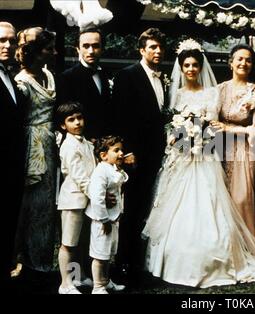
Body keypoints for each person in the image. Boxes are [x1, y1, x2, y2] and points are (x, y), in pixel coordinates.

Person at [141, 40, 255, 288]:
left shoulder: (213, 93)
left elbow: (215, 125)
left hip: (206, 154)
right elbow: (170, 126)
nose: (191, 69)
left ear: (201, 66)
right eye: (187, 65)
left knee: (219, 204)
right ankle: (174, 260)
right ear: (181, 68)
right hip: (184, 156)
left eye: (195, 64)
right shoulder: (176, 93)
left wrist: (200, 136)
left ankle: (227, 257)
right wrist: (181, 138)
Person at [111, 28, 167, 283]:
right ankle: (123, 264)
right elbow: (120, 117)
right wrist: (127, 152)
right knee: (131, 210)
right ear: (142, 50)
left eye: (159, 47)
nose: (157, 51)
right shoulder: (127, 75)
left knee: (147, 209)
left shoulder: (163, 78)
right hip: (135, 156)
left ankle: (140, 263)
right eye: (152, 47)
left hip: (157, 155)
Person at [212, 44, 255, 237]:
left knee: (241, 199)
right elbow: (209, 119)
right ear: (231, 63)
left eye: (248, 60)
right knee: (216, 199)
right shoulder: (219, 89)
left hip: (243, 152)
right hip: (217, 150)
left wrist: (232, 129)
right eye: (239, 59)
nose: (243, 63)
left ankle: (243, 249)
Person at [14, 28, 58, 274]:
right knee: (32, 205)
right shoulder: (22, 82)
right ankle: (27, 261)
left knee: (48, 204)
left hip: (51, 142)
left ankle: (42, 261)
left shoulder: (48, 74)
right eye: (49, 48)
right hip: (33, 146)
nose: (54, 52)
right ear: (35, 52)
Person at [55, 102, 96, 294]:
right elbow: (79, 175)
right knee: (68, 243)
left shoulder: (86, 143)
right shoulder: (68, 145)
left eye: (79, 118)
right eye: (71, 120)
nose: (77, 123)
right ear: (63, 125)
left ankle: (77, 277)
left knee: (79, 243)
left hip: (86, 199)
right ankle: (65, 283)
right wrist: (96, 195)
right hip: (73, 199)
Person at [0, 21, 25, 290]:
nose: (7, 45)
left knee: (7, 224)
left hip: (11, 167)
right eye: (2, 40)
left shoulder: (9, 75)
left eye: (11, 41)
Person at [86, 135, 128, 294]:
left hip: (113, 218)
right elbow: (97, 199)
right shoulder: (101, 171)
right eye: (116, 150)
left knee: (108, 253)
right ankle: (97, 286)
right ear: (103, 155)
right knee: (99, 255)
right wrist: (103, 219)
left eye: (121, 150)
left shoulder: (113, 168)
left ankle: (106, 281)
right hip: (102, 220)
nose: (121, 153)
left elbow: (121, 180)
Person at [58, 28, 112, 140]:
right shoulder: (67, 77)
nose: (91, 51)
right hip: (81, 142)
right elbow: (65, 116)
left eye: (96, 46)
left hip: (105, 142)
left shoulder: (104, 74)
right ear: (78, 49)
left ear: (102, 49)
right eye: (86, 46)